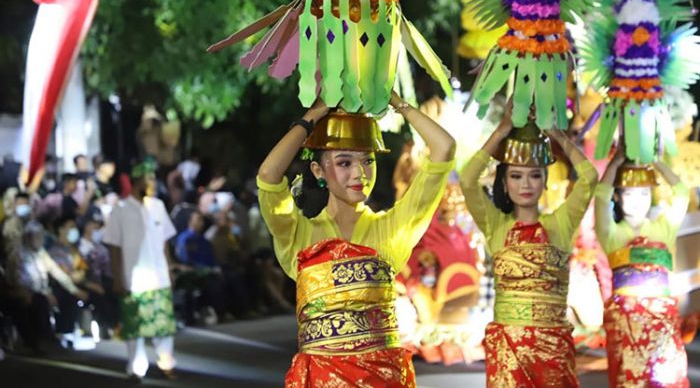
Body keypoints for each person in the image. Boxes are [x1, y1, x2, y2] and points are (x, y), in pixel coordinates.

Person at [257, 93, 455, 387]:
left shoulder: (390, 229)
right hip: (320, 379)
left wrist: (397, 103)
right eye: (344, 162)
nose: (359, 173)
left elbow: (444, 147)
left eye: (367, 160)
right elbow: (269, 175)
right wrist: (315, 114)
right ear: (318, 170)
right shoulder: (298, 233)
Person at [459, 102, 598, 387]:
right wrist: (502, 130)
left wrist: (556, 134)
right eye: (516, 175)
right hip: (508, 352)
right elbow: (468, 178)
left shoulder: (560, 224)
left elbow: (589, 177)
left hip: (553, 350)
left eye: (535, 175)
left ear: (546, 180)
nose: (526, 184)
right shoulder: (496, 225)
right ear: (505, 181)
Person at [595, 148, 690, 387]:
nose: (637, 202)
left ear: (652, 196)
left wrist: (655, 160)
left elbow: (681, 193)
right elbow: (600, 198)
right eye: (629, 193)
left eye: (644, 194)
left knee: (668, 380)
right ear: (617, 196)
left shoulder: (663, 228)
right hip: (626, 325)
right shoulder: (611, 233)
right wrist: (614, 164)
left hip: (661, 325)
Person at [103, 160, 177, 381]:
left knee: (163, 325)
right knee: (134, 328)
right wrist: (117, 277)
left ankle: (167, 363)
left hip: (159, 276)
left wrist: (170, 269)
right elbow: (114, 248)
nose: (153, 183)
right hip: (133, 280)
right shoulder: (120, 210)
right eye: (149, 178)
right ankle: (136, 368)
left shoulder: (158, 206)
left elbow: (164, 242)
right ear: (137, 181)